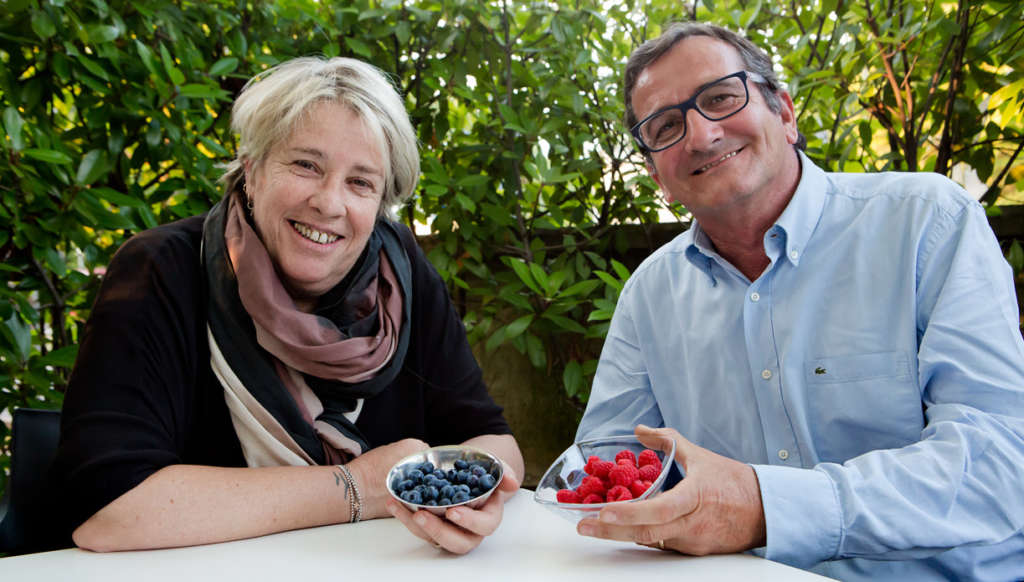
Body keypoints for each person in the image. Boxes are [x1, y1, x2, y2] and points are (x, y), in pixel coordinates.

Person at [574, 21, 1024, 581]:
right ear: (657, 176)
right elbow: (600, 471)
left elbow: (1003, 465)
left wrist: (766, 506)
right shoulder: (648, 294)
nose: (701, 135)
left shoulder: (928, 222)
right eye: (666, 125)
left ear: (785, 114)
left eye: (719, 97)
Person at [52, 56, 524, 555]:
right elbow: (108, 510)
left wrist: (476, 492)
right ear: (251, 171)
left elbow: (494, 441)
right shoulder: (161, 270)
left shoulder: (400, 274)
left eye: (360, 182)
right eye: (306, 165)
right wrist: (358, 487)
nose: (329, 202)